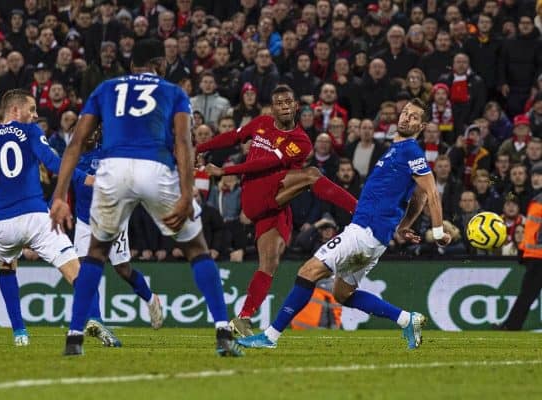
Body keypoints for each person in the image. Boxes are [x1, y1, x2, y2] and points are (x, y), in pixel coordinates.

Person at [50, 39, 243, 357]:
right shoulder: (173, 91)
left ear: (130, 66)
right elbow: (183, 142)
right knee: (197, 249)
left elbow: (75, 144)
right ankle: (223, 332)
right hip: (155, 166)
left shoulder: (106, 88)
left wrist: (59, 196)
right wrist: (186, 192)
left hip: (112, 169)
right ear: (161, 65)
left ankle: (74, 339)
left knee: (95, 254)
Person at [237, 98, 451, 350]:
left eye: (413, 117)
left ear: (422, 125)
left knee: (308, 272)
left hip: (364, 231)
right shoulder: (397, 149)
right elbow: (418, 196)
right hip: (374, 237)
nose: (406, 118)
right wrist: (403, 226)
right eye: (405, 113)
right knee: (342, 294)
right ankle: (407, 319)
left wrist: (437, 231)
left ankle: (270, 336)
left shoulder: (411, 151)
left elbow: (431, 192)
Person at [0, 89, 117, 347]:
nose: (35, 115)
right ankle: (94, 319)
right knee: (76, 271)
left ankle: (20, 334)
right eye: (32, 109)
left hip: (1, 225)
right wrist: (90, 179)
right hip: (36, 217)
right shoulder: (31, 132)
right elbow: (54, 163)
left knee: (6, 267)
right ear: (15, 110)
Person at [197, 84, 357, 337]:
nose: (283, 106)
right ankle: (360, 211)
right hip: (255, 192)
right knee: (313, 175)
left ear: (295, 106)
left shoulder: (301, 142)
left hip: (273, 200)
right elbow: (233, 137)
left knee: (269, 263)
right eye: (279, 103)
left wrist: (224, 170)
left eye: (288, 102)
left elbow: (268, 162)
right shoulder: (261, 123)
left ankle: (243, 318)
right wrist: (200, 148)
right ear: (273, 108)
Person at [72, 128, 164, 331]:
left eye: (92, 133)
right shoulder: (73, 157)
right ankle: (96, 320)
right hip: (84, 222)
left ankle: (150, 298)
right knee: (84, 269)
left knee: (122, 269)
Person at [500, 162, 542, 330]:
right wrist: (524, 249)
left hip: (538, 257)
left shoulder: (538, 199)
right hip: (535, 256)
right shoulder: (536, 198)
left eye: (539, 175)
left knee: (527, 294)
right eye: (534, 175)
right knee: (527, 294)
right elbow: (532, 230)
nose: (535, 178)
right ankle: (511, 325)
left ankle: (511, 326)